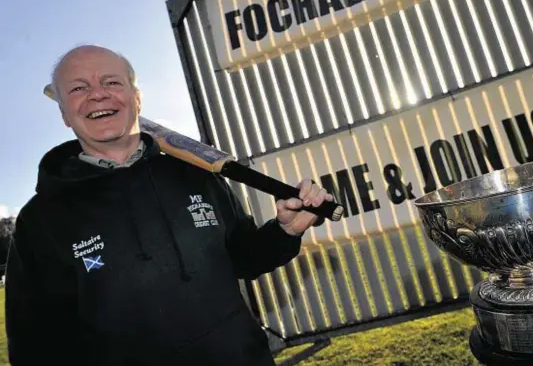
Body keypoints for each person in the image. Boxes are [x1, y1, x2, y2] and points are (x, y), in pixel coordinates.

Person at [5, 45, 333, 366]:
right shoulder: (40, 219)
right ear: (63, 113)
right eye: (78, 88)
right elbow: (34, 343)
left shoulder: (197, 175)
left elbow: (244, 258)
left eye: (111, 82)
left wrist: (286, 230)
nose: (97, 94)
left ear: (137, 97)